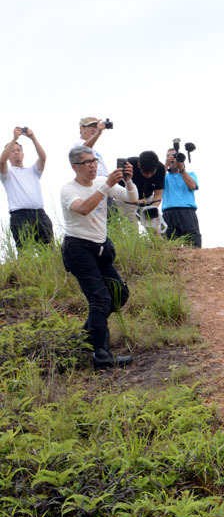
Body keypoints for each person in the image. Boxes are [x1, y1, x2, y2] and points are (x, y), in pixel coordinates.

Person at [60, 145, 135, 369]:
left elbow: (131, 198)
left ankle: (85, 337)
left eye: (94, 161)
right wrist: (107, 185)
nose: (93, 166)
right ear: (75, 167)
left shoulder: (102, 182)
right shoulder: (68, 189)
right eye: (87, 162)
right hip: (78, 249)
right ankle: (101, 355)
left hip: (100, 248)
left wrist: (128, 181)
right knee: (100, 299)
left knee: (119, 294)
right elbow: (84, 208)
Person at [1, 127, 53, 251]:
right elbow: (2, 161)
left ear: (23, 153)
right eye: (12, 151)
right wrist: (14, 138)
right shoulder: (7, 173)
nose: (16, 152)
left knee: (49, 251)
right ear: (8, 155)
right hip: (20, 215)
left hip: (40, 214)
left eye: (18, 150)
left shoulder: (33, 170)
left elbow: (43, 157)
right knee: (25, 251)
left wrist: (33, 138)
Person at [162, 147, 201, 247]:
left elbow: (193, 186)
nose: (171, 158)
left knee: (193, 243)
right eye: (168, 156)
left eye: (174, 156)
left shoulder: (190, 174)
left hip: (187, 212)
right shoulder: (164, 176)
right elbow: (157, 182)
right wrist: (165, 165)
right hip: (168, 214)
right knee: (168, 246)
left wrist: (181, 169)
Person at [126, 151, 165, 232]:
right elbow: (118, 192)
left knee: (155, 229)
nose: (149, 176)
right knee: (133, 228)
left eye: (152, 173)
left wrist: (152, 208)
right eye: (145, 173)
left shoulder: (161, 169)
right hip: (127, 199)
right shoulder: (129, 165)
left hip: (148, 199)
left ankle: (157, 240)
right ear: (138, 165)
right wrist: (136, 201)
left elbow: (158, 194)